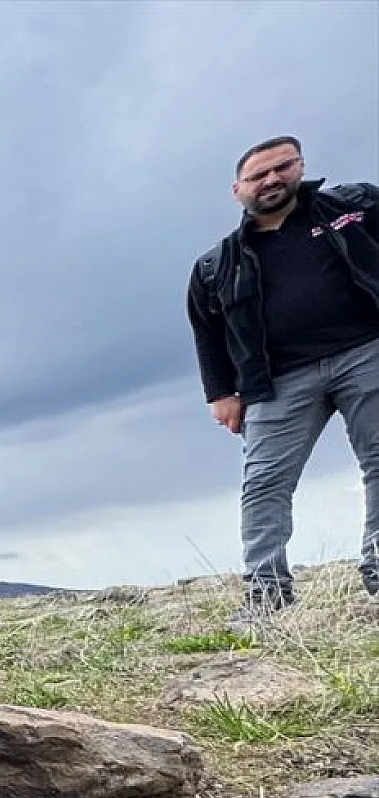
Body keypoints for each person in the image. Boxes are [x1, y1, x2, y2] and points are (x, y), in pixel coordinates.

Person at [186, 136, 379, 620]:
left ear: (300, 167)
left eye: (282, 167)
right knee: (265, 483)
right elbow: (206, 329)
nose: (272, 179)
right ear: (238, 190)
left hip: (366, 352)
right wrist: (221, 394)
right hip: (276, 380)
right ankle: (266, 597)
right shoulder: (216, 263)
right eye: (258, 176)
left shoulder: (356, 206)